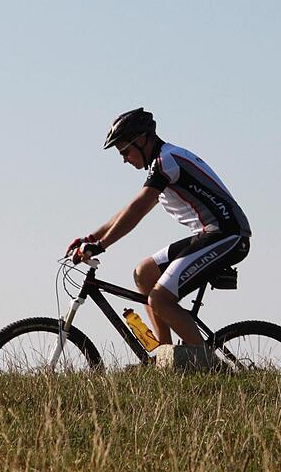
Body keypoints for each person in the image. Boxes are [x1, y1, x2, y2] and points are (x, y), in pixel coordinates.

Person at [67, 107, 251, 346]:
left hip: (228, 235)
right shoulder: (163, 163)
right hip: (209, 235)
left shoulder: (167, 161)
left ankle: (207, 366)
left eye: (125, 150)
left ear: (142, 140)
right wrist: (90, 237)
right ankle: (166, 355)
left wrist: (100, 246)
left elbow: (137, 210)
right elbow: (129, 209)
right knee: (144, 273)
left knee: (160, 299)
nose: (124, 159)